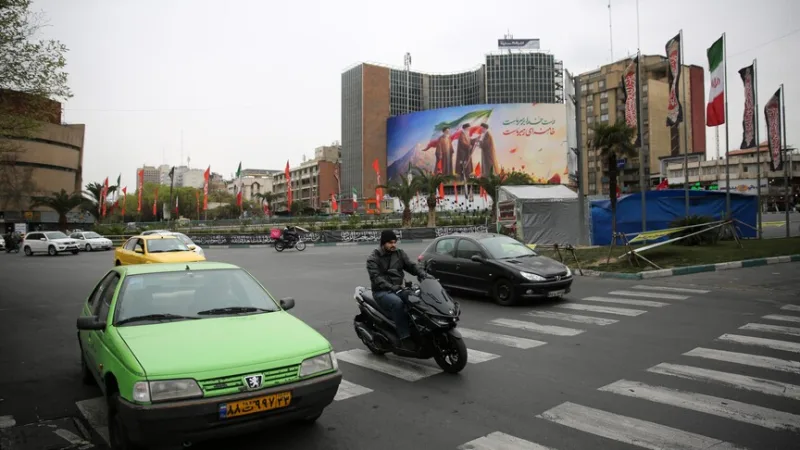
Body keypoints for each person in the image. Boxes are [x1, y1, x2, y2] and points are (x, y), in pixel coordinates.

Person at [366, 230, 429, 350]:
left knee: (416, 299)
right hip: (381, 291)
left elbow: (411, 266)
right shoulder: (373, 258)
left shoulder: (399, 253)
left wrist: (423, 274)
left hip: (399, 288)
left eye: (395, 242)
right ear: (383, 243)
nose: (393, 245)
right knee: (397, 303)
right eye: (390, 242)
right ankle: (404, 337)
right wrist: (391, 287)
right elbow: (376, 278)